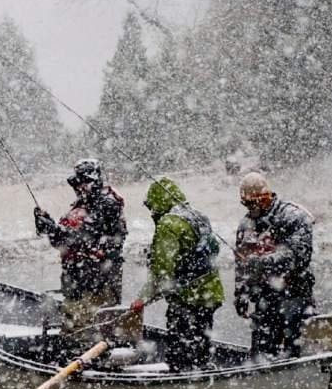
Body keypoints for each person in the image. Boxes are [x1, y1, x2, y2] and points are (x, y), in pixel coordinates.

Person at [129, 177, 224, 372]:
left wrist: (141, 299)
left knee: (180, 351)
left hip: (187, 299)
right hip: (210, 294)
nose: (151, 212)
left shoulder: (168, 224)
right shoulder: (198, 216)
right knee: (201, 341)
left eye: (151, 207)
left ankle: (180, 384)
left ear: (157, 202)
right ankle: (201, 377)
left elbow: (162, 272)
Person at [34, 158, 127, 333]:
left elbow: (85, 239)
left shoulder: (107, 204)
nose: (80, 188)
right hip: (76, 282)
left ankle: (86, 356)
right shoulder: (80, 207)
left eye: (84, 183)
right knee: (71, 329)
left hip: (97, 284)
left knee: (87, 333)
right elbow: (63, 243)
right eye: (77, 184)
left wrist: (55, 229)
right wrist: (47, 225)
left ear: (95, 181)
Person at [234, 171, 316, 359]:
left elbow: (297, 255)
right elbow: (241, 263)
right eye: (246, 204)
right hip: (264, 301)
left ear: (266, 197)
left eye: (254, 203)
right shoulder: (246, 225)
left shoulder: (293, 216)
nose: (250, 208)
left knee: (295, 352)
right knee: (261, 354)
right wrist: (241, 293)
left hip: (294, 296)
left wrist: (264, 263)